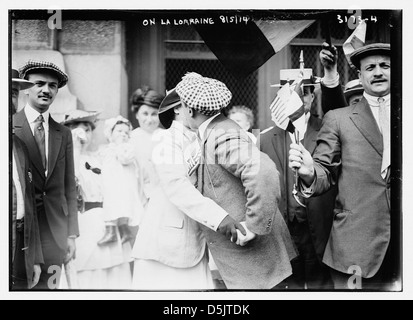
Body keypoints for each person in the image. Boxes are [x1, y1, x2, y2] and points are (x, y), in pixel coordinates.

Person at [176, 72, 297, 289]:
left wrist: (254, 226)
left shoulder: (221, 135)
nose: (179, 112)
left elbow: (264, 172)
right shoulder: (216, 130)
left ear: (191, 110)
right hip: (250, 265)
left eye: (181, 106)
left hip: (256, 265)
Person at [289, 43, 394, 290]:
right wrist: (309, 173)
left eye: (385, 65)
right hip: (357, 244)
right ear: (360, 75)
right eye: (370, 67)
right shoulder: (339, 118)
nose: (377, 72)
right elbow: (325, 170)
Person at [131, 88, 237, 290]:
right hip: (164, 249)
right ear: (179, 108)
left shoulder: (202, 140)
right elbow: (177, 186)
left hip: (195, 247)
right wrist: (219, 218)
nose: (204, 111)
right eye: (197, 105)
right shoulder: (165, 139)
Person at [260, 66, 336, 289]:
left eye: (303, 92)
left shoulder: (328, 130)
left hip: (319, 230)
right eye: (289, 92)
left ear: (312, 96)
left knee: (320, 287)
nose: (296, 97)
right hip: (283, 232)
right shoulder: (265, 139)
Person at [13, 60, 79, 290]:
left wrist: (71, 234)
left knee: (49, 290)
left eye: (52, 85)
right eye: (39, 83)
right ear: (26, 88)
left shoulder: (64, 133)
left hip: (55, 231)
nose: (46, 90)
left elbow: (68, 186)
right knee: (22, 288)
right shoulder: (11, 126)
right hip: (22, 231)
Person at [62, 110, 133, 289]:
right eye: (77, 129)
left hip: (107, 219)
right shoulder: (66, 159)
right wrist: (76, 148)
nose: (83, 134)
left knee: (115, 273)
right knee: (88, 273)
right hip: (84, 221)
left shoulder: (101, 157)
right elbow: (71, 183)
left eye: (87, 129)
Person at [11, 68, 44, 290]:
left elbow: (29, 204)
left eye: (13, 92)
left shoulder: (19, 146)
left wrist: (36, 257)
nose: (8, 97)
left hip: (22, 243)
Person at [97, 116, 147, 246]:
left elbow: (125, 159)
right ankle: (112, 231)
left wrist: (120, 148)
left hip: (123, 183)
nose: (123, 135)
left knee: (124, 205)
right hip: (111, 182)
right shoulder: (107, 149)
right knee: (112, 205)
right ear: (110, 133)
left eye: (126, 132)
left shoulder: (127, 148)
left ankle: (123, 231)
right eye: (119, 131)